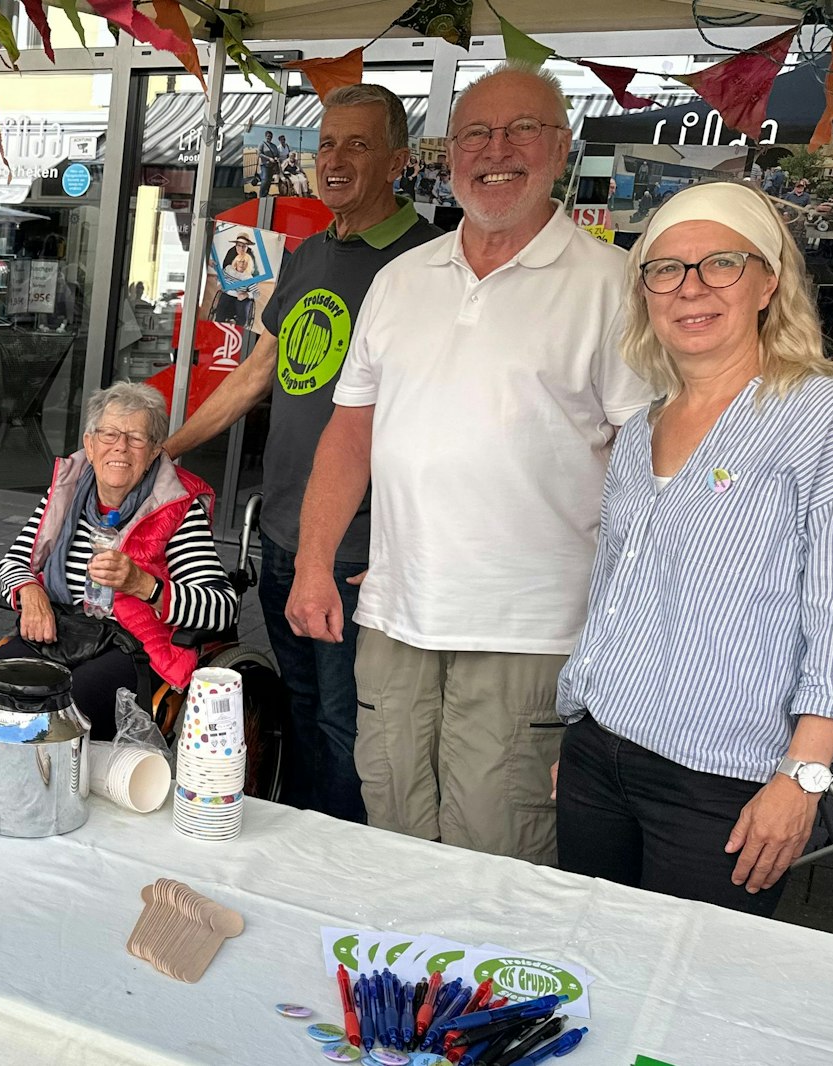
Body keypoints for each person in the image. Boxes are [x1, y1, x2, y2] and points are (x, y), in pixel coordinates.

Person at [287, 63, 655, 864]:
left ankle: (485, 990)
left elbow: (643, 466)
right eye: (475, 134)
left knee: (498, 840)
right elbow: (351, 434)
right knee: (391, 821)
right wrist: (314, 562)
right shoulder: (399, 280)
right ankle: (405, 988)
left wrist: (626, 615)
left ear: (559, 147)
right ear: (447, 154)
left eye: (522, 129)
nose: (497, 151)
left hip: (529, 627)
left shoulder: (612, 285)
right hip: (396, 612)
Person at [553, 181, 833, 914]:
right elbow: (616, 592)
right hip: (601, 753)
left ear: (768, 281)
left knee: (688, 997)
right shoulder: (644, 426)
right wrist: (583, 734)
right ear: (645, 291)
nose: (691, 288)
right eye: (666, 268)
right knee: (592, 964)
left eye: (721, 263)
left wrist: (804, 776)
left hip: (723, 780)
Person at [165, 83, 441, 823]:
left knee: (350, 722)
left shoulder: (429, 264)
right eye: (326, 144)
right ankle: (300, 845)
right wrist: (165, 448)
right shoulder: (307, 255)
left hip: (360, 546)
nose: (337, 159)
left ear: (397, 161)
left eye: (357, 144)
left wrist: (403, 543)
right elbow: (256, 375)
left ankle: (337, 864)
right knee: (304, 703)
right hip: (284, 531)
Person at [0, 383, 238, 740]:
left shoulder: (177, 507)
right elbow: (12, 562)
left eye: (136, 438)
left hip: (132, 648)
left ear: (153, 453)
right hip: (61, 632)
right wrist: (30, 592)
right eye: (110, 434)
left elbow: (223, 608)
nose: (120, 446)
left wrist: (144, 586)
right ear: (89, 444)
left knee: (69, 707)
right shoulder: (68, 493)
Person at [258, 130, 284, 198]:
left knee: (269, 180)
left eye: (270, 136)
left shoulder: (274, 146)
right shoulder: (262, 144)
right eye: (268, 136)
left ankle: (266, 193)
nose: (269, 137)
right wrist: (269, 158)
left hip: (272, 166)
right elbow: (259, 154)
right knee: (265, 180)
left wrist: (275, 157)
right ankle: (261, 195)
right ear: (265, 136)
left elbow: (277, 154)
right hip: (265, 165)